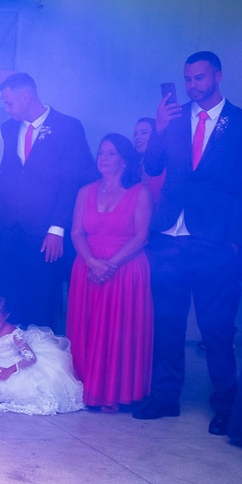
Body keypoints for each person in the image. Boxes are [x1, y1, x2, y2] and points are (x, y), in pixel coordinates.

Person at [135, 52, 242, 433]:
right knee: (167, 323)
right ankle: (165, 399)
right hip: (168, 236)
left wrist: (235, 241)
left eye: (199, 78)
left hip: (215, 241)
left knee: (217, 329)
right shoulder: (175, 118)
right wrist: (160, 129)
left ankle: (226, 405)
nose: (192, 85)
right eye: (187, 79)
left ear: (217, 76)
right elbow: (151, 168)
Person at [0, 73, 95, 329]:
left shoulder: (69, 127)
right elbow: (7, 172)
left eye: (9, 103)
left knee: (40, 300)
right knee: (6, 298)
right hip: (8, 228)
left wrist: (57, 228)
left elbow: (72, 182)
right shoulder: (9, 127)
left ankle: (36, 363)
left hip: (45, 231)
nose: (6, 109)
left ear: (26, 97)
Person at [67, 134, 153, 412]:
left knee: (118, 332)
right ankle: (87, 388)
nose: (103, 158)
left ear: (125, 161)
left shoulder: (141, 192)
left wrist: (110, 265)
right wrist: (92, 262)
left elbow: (141, 238)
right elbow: (77, 232)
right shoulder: (85, 191)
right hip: (88, 267)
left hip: (125, 270)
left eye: (111, 153)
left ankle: (114, 392)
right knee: (88, 328)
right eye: (101, 152)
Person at [132, 117, 165, 202]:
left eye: (144, 133)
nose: (137, 137)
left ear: (155, 135)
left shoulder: (166, 168)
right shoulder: (134, 168)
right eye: (135, 134)